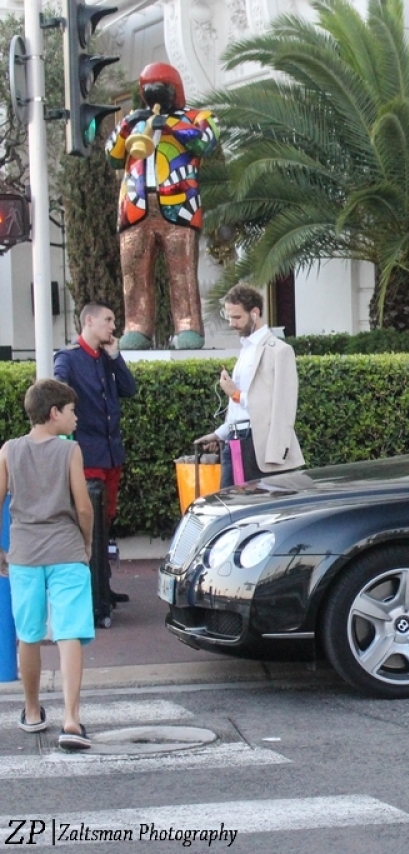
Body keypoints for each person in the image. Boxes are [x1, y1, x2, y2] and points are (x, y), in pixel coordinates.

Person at [0, 380, 96, 750]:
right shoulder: (69, 452)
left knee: (29, 633)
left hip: (24, 553)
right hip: (66, 549)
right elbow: (84, 507)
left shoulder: (9, 451)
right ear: (54, 413)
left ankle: (33, 709)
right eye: (71, 411)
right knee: (69, 631)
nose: (75, 418)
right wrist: (85, 541)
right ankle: (71, 720)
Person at [105, 62, 219, 350]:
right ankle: (137, 327)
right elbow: (113, 156)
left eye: (161, 90)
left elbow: (205, 142)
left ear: (174, 90)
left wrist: (167, 124)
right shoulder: (132, 120)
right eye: (149, 90)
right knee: (134, 271)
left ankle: (188, 326)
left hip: (179, 204)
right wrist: (129, 126)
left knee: (181, 270)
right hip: (135, 206)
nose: (155, 97)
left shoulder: (197, 116)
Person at [54, 302, 137, 605]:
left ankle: (103, 586)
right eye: (108, 320)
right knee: (89, 522)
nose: (113, 327)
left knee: (106, 521)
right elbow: (58, 384)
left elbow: (129, 389)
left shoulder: (106, 357)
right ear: (88, 321)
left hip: (111, 454)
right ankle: (90, 592)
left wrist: (116, 357)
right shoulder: (69, 358)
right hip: (88, 456)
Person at [196, 285, 304, 487]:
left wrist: (235, 394)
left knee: (253, 509)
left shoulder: (279, 351)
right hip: (235, 440)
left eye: (237, 317)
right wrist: (220, 434)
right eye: (228, 317)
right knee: (230, 504)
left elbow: (281, 405)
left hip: (257, 443)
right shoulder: (246, 349)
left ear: (255, 313)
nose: (231, 323)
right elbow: (239, 410)